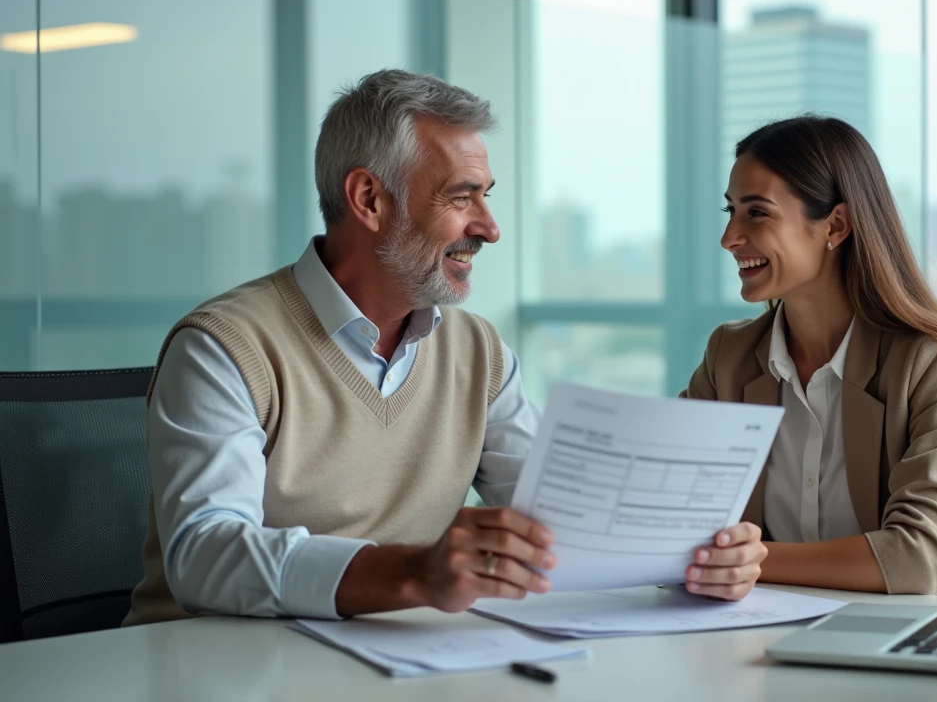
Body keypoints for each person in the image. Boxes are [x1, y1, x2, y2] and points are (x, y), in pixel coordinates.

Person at [125, 69, 766, 626]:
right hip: (213, 669)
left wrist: (700, 556)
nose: (487, 228)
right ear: (369, 199)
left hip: (391, 662)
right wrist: (413, 575)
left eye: (485, 197)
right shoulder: (225, 348)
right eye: (461, 197)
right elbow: (204, 556)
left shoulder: (476, 352)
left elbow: (562, 523)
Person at [682, 115, 937, 602]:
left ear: (835, 225)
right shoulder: (729, 357)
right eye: (730, 212)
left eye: (757, 213)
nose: (730, 237)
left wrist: (752, 563)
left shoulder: (930, 363)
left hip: (923, 638)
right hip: (766, 631)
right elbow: (669, 508)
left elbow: (918, 558)